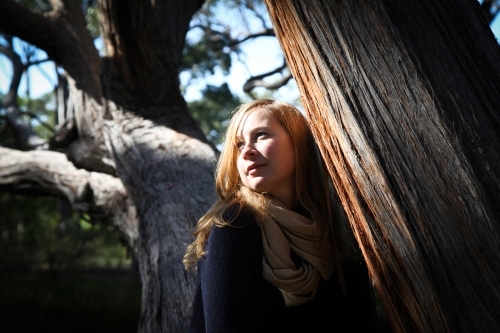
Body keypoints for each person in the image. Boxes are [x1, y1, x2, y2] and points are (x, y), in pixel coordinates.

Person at [184, 99, 377, 332]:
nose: (247, 151)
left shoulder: (339, 229)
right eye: (238, 144)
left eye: (261, 135)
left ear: (300, 144)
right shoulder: (235, 222)